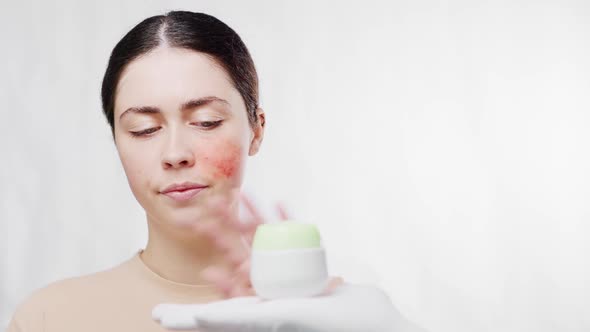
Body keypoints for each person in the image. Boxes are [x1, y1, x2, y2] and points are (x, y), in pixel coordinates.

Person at [6, 11, 422, 332]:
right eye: (144, 129)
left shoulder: (332, 314)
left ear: (257, 129)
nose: (175, 153)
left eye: (205, 122)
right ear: (117, 141)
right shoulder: (49, 318)